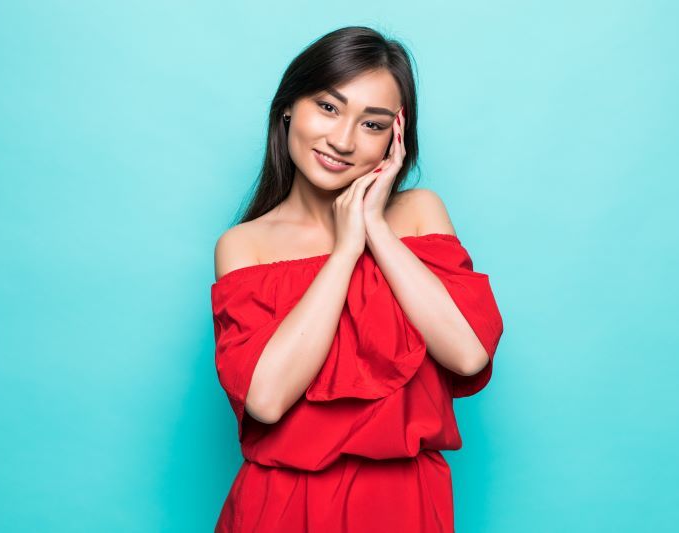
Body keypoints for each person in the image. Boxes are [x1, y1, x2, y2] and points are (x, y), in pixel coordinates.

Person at [211, 26, 504, 532]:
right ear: (288, 107)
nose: (343, 140)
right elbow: (266, 398)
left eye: (372, 124)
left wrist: (375, 231)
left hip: (405, 504)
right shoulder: (245, 244)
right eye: (328, 107)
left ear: (396, 136)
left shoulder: (417, 212)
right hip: (281, 507)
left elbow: (468, 352)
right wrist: (345, 251)